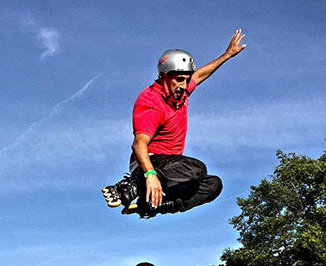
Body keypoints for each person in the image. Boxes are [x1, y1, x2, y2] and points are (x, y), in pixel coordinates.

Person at [102, 30, 246, 218]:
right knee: (197, 169)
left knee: (213, 184)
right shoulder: (151, 102)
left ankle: (154, 206)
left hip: (172, 169)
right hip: (148, 163)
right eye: (179, 80)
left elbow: (201, 75)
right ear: (164, 77)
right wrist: (150, 175)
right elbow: (139, 144)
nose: (184, 86)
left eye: (186, 80)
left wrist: (227, 55)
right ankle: (130, 187)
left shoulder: (181, 92)